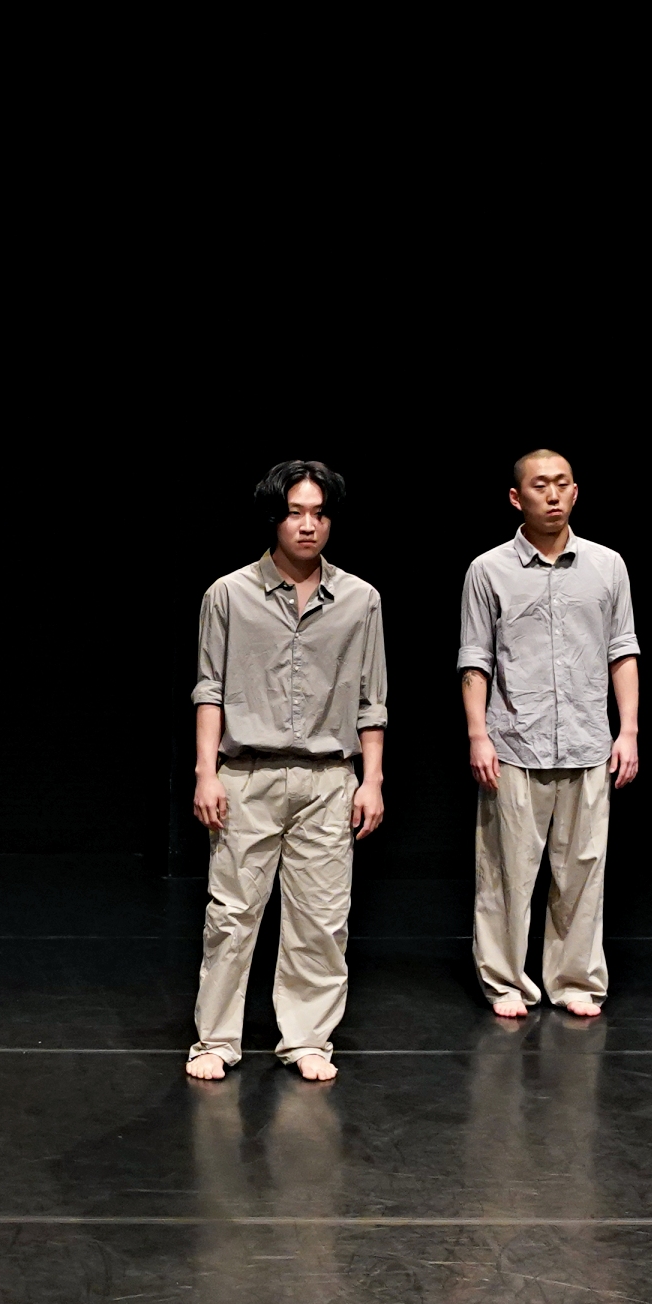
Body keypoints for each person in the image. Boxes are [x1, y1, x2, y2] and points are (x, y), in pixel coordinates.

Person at [188, 461, 387, 1085]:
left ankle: (307, 1038)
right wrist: (205, 772)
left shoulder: (360, 600)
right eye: (296, 512)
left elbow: (371, 700)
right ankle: (216, 1038)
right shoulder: (229, 594)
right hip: (247, 774)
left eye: (320, 514)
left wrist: (373, 780)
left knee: (322, 920)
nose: (308, 525)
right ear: (275, 517)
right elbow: (209, 689)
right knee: (231, 915)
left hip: (329, 778)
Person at [457, 449, 641, 1021]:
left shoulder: (608, 566)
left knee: (583, 869)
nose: (553, 494)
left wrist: (629, 730)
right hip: (515, 743)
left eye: (562, 484)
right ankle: (505, 981)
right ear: (518, 498)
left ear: (576, 492)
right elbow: (475, 656)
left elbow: (622, 649)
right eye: (540, 485)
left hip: (588, 741)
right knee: (506, 872)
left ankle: (574, 979)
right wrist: (477, 734)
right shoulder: (488, 569)